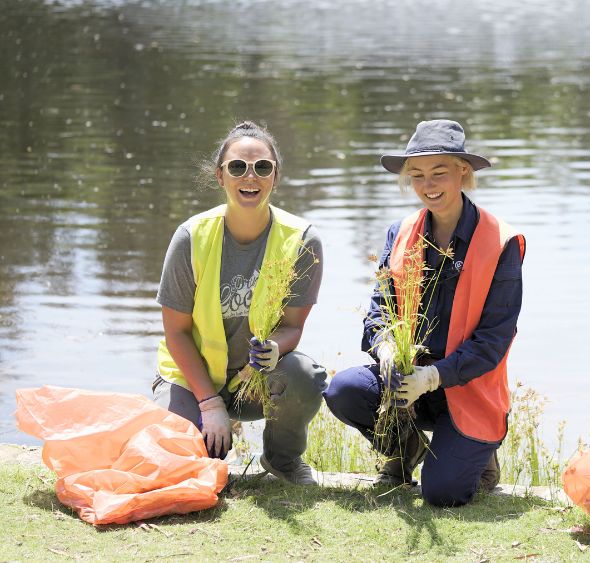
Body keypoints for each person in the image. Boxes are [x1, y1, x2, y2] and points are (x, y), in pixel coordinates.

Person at [324, 119, 525, 507]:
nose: (428, 185)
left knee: (443, 493)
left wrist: (433, 376)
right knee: (344, 390)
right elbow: (380, 309)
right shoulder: (400, 232)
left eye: (439, 173)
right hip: (405, 380)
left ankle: (481, 454)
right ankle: (406, 448)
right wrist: (384, 349)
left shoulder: (502, 241)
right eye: (416, 175)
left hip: (466, 388)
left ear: (462, 173)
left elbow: (493, 342)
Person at [152, 121, 327, 486]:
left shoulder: (302, 240)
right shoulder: (190, 237)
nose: (251, 176)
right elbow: (177, 333)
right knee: (184, 470)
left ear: (275, 177)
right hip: (192, 377)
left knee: (304, 375)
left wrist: (276, 347)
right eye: (238, 167)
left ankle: (282, 460)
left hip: (254, 382)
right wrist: (209, 403)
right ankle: (204, 427)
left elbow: (294, 325)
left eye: (263, 167)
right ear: (220, 176)